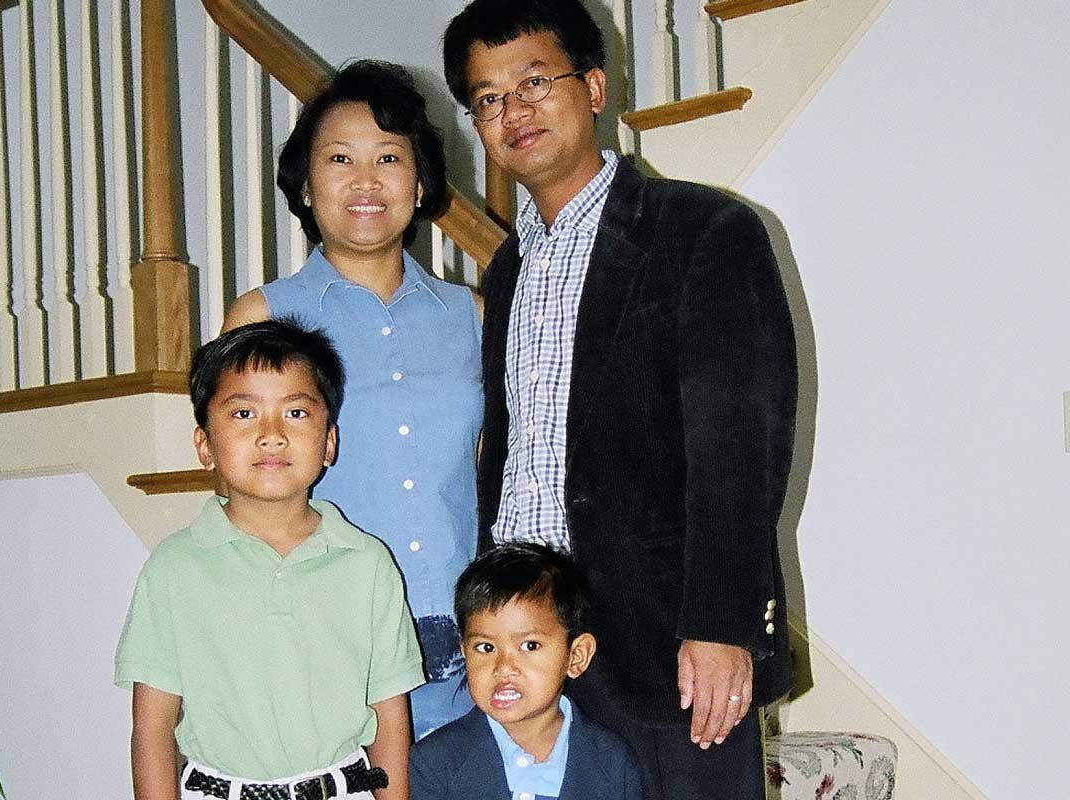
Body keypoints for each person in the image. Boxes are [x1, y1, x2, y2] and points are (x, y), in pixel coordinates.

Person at [442, 1, 799, 798]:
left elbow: (741, 446)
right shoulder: (505, 271)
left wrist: (720, 624)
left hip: (668, 645)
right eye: (489, 98)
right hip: (536, 650)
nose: (515, 110)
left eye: (535, 80)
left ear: (594, 87)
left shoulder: (703, 231)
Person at [223, 60, 481, 740]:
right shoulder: (261, 317)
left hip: (471, 662)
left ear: (420, 182)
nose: (366, 181)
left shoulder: (475, 317)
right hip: (324, 651)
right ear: (306, 186)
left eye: (389, 158)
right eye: (340, 158)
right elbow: (239, 491)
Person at [115, 320, 423, 800]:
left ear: (329, 443)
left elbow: (391, 719)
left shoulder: (367, 564)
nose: (272, 435)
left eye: (296, 412)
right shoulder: (175, 567)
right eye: (244, 414)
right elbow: (152, 728)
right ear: (204, 446)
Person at [410, 542, 642, 800]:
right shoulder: (434, 763)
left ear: (576, 656)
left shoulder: (612, 763)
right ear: (464, 652)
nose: (504, 666)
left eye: (529, 645)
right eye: (486, 647)